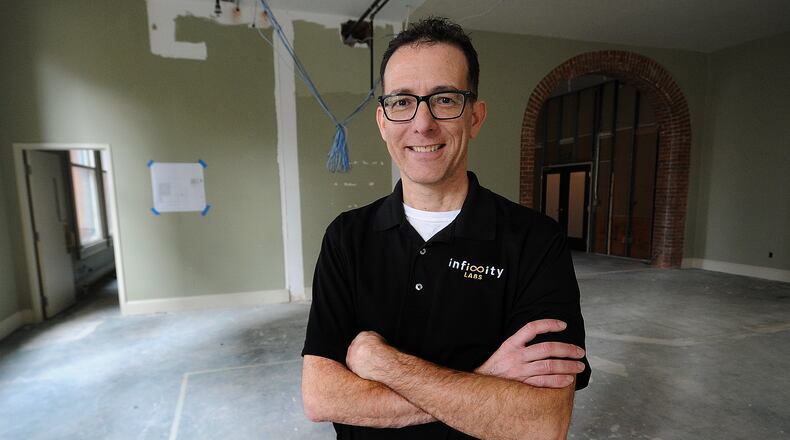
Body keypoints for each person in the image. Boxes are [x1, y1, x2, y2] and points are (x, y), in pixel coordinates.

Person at [301, 17, 591, 440]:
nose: (422, 124)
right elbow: (321, 397)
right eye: (402, 102)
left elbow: (542, 422)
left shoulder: (535, 242)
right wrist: (483, 378)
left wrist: (382, 364)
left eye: (444, 99)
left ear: (475, 117)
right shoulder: (346, 238)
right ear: (382, 121)